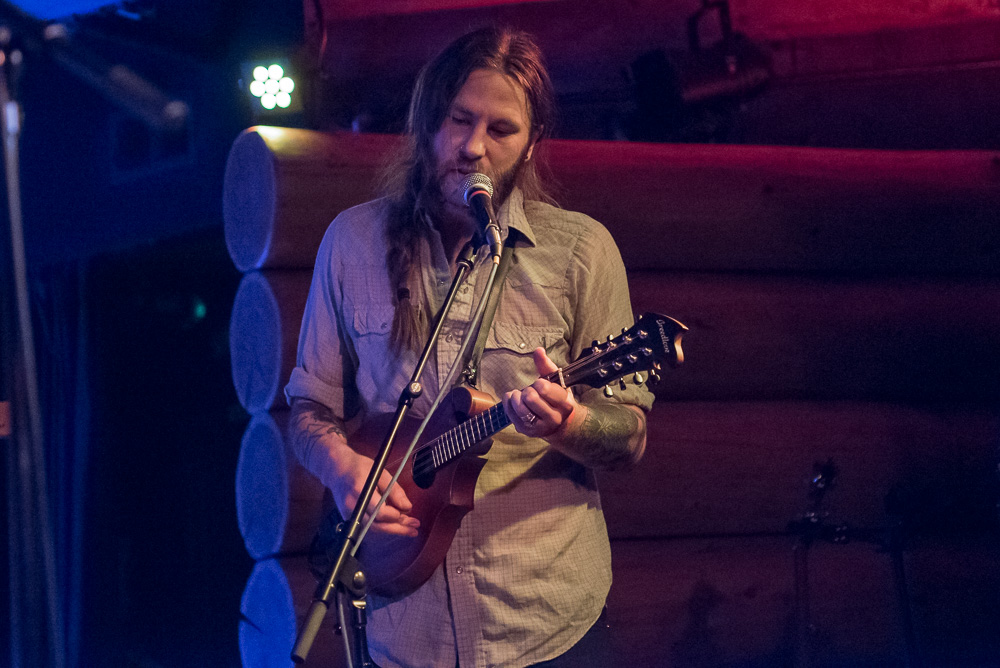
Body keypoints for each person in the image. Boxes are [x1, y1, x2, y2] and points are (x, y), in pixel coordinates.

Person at [285, 25, 654, 668]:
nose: (474, 147)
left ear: (532, 144)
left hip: (542, 626)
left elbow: (630, 435)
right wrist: (344, 472)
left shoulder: (580, 252)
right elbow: (308, 408)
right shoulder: (351, 243)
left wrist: (569, 424)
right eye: (459, 120)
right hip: (405, 628)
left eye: (502, 130)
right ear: (428, 122)